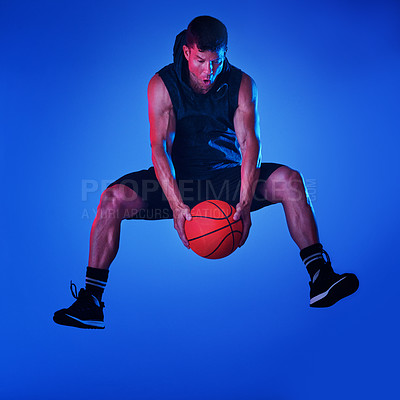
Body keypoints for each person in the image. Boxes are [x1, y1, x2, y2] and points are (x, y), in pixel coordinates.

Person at [53, 16, 359, 329]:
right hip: (179, 179)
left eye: (216, 61)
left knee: (290, 181)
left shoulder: (242, 84)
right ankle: (91, 300)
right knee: (112, 199)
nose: (208, 71)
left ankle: (320, 277)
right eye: (201, 61)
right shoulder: (162, 84)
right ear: (187, 52)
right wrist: (175, 204)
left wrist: (244, 200)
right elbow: (160, 148)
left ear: (225, 55)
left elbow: (249, 144)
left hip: (228, 177)